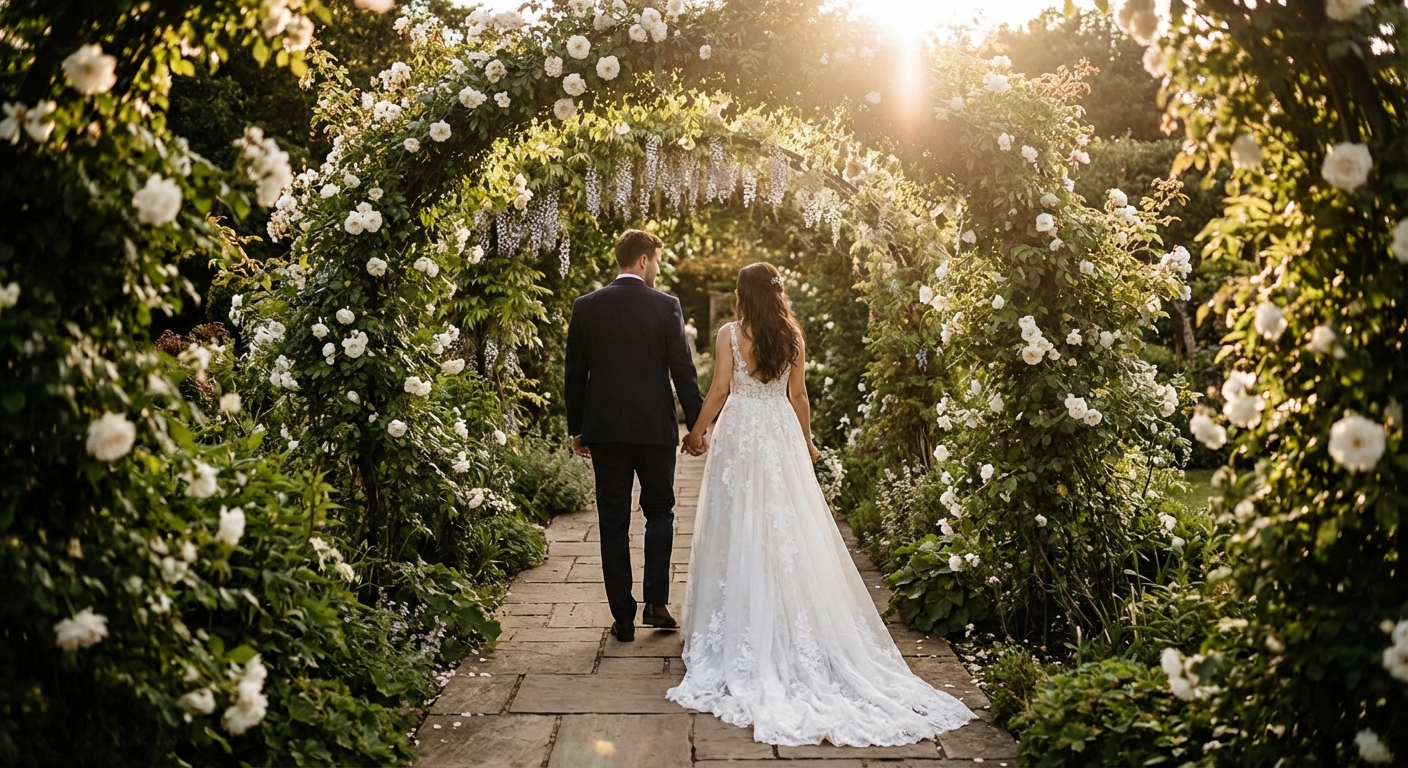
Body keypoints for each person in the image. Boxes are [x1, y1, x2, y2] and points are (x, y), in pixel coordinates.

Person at [665, 262, 975, 746]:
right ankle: (787, 618)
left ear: (743, 295)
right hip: (779, 433)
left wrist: (697, 430)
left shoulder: (729, 333)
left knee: (740, 523)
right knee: (786, 525)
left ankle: (743, 620)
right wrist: (806, 443)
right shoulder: (791, 334)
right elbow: (798, 394)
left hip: (744, 435)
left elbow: (722, 389)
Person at [564, 229, 704, 643]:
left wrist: (578, 428)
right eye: (657, 261)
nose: (658, 269)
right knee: (660, 511)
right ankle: (656, 605)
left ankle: (622, 617)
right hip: (654, 430)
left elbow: (574, 375)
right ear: (643, 260)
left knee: (613, 521)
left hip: (605, 430)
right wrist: (696, 428)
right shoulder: (665, 306)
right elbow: (683, 371)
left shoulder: (586, 306)